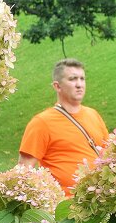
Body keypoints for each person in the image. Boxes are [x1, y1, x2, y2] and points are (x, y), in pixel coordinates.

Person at [18, 59, 109, 196]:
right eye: (72, 79)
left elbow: (108, 156)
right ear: (57, 86)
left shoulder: (93, 115)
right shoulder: (41, 122)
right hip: (63, 207)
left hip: (99, 203)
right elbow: (23, 171)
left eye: (82, 79)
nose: (79, 84)